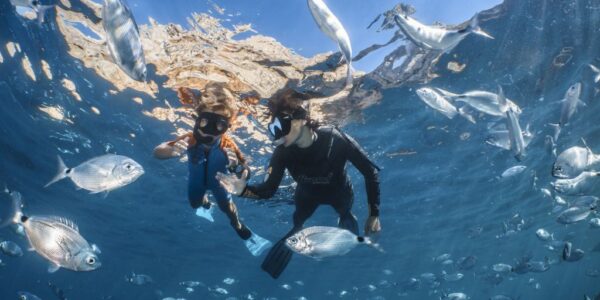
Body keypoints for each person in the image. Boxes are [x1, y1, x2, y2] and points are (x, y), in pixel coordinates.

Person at [217, 87, 382, 278]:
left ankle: (345, 221)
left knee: (344, 212)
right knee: (298, 223)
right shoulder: (282, 153)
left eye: (280, 126)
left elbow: (370, 173)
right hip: (306, 195)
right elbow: (268, 190)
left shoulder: (335, 139)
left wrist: (373, 214)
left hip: (340, 192)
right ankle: (295, 238)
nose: (277, 137)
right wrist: (243, 190)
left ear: (302, 119)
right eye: (272, 129)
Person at [160, 83, 271, 256]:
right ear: (198, 120)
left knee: (228, 210)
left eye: (219, 126)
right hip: (196, 184)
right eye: (205, 122)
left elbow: (245, 171)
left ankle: (239, 227)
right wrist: (170, 151)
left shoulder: (228, 145)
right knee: (194, 203)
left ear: (227, 127)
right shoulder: (190, 139)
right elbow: (158, 151)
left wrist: (237, 170)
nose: (209, 132)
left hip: (220, 186)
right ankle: (205, 203)